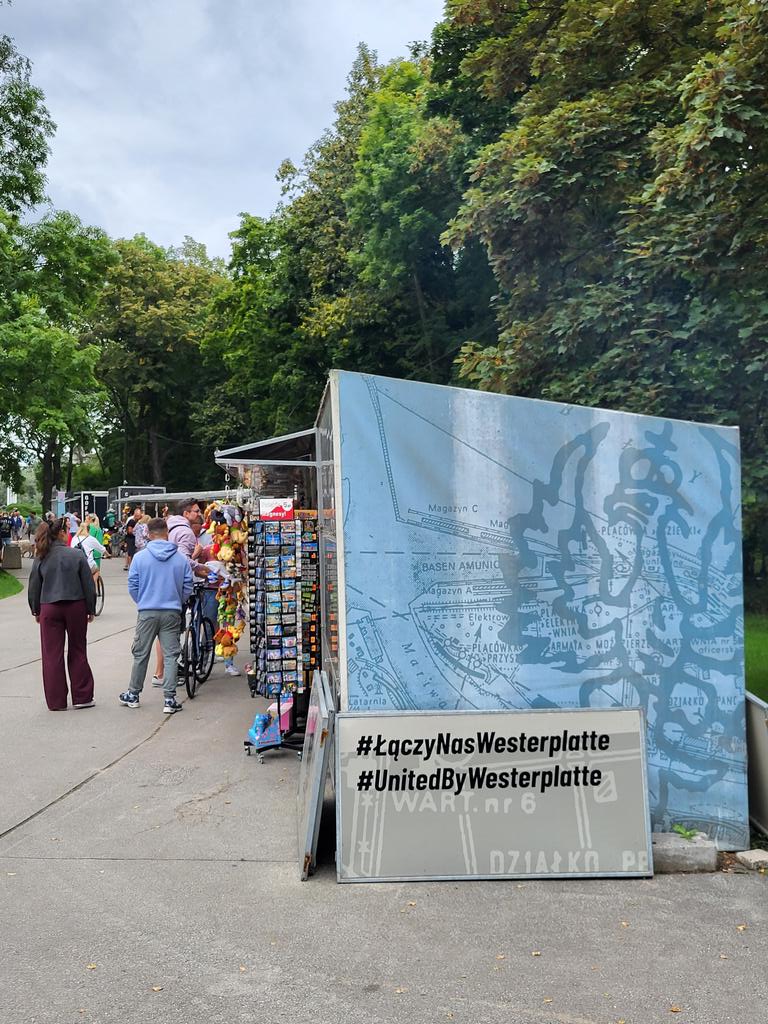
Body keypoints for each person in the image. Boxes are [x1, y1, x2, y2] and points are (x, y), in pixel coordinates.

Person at [120, 517, 192, 714]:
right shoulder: (180, 558)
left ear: (149, 534)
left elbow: (133, 585)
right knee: (171, 655)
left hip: (147, 611)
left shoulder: (140, 558)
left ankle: (133, 694)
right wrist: (177, 600)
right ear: (167, 532)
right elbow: (188, 586)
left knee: (140, 653)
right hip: (172, 611)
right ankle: (170, 699)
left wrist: (143, 600)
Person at [27, 517, 97, 710]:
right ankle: (82, 697)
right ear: (61, 534)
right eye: (67, 530)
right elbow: (88, 585)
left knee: (51, 654)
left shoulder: (41, 556)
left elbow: (34, 585)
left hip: (49, 605)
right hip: (75, 604)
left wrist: (36, 609)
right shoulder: (76, 555)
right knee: (78, 648)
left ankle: (56, 701)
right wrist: (90, 608)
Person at [123, 505, 142, 571]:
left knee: (133, 553)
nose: (139, 518)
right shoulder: (132, 521)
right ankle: (131, 567)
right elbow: (130, 531)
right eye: (138, 516)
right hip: (130, 539)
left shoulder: (137, 521)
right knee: (131, 553)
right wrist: (137, 533)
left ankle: (132, 566)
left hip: (133, 539)